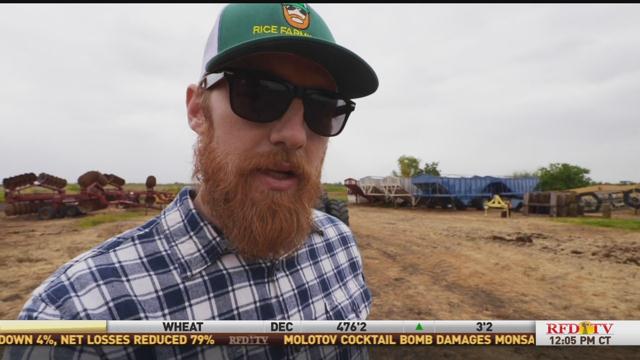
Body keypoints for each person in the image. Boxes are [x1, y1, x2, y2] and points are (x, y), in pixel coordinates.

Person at [18, 3, 377, 325]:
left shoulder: (339, 247)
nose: (295, 135)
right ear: (197, 110)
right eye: (258, 94)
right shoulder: (80, 315)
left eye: (323, 107)